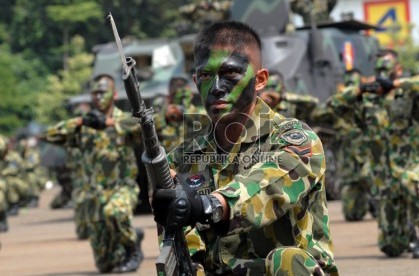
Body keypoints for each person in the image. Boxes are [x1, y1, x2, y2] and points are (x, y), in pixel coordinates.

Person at [152, 21, 338, 275]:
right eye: (206, 75)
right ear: (196, 81)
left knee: (287, 258)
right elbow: (183, 247)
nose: (216, 88)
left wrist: (210, 204)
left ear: (260, 79)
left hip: (281, 271)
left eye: (230, 74)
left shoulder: (296, 140)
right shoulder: (182, 159)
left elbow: (267, 187)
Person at [338, 49, 419, 258]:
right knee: (391, 247)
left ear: (398, 69)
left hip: (414, 165)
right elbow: (335, 104)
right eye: (380, 69)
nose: (383, 73)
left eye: (388, 68)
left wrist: (396, 84)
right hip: (386, 175)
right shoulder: (369, 100)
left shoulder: (408, 92)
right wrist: (359, 89)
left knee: (412, 181)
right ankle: (406, 232)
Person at [45, 74, 144, 273]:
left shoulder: (124, 120)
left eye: (103, 92)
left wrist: (107, 124)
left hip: (121, 187)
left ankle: (132, 248)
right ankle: (129, 237)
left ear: (114, 94)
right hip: (94, 195)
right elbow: (51, 135)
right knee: (105, 265)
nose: (99, 97)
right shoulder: (85, 125)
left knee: (115, 212)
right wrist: (80, 121)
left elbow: (145, 125)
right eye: (95, 93)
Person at [328, 69, 376, 221]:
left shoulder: (371, 99)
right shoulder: (342, 101)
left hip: (370, 155)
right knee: (352, 214)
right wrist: (356, 91)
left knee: (371, 178)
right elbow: (333, 103)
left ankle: (376, 202)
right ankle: (363, 203)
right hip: (350, 159)